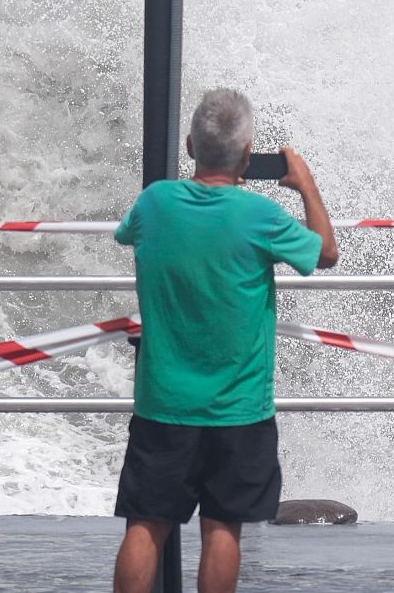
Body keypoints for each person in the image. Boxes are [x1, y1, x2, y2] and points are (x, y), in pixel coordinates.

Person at [111, 88, 338, 593]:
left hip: (163, 402)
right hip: (238, 407)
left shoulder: (154, 202)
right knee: (221, 530)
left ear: (190, 145)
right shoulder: (260, 216)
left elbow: (126, 236)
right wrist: (305, 185)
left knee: (145, 525)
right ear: (246, 153)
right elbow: (325, 253)